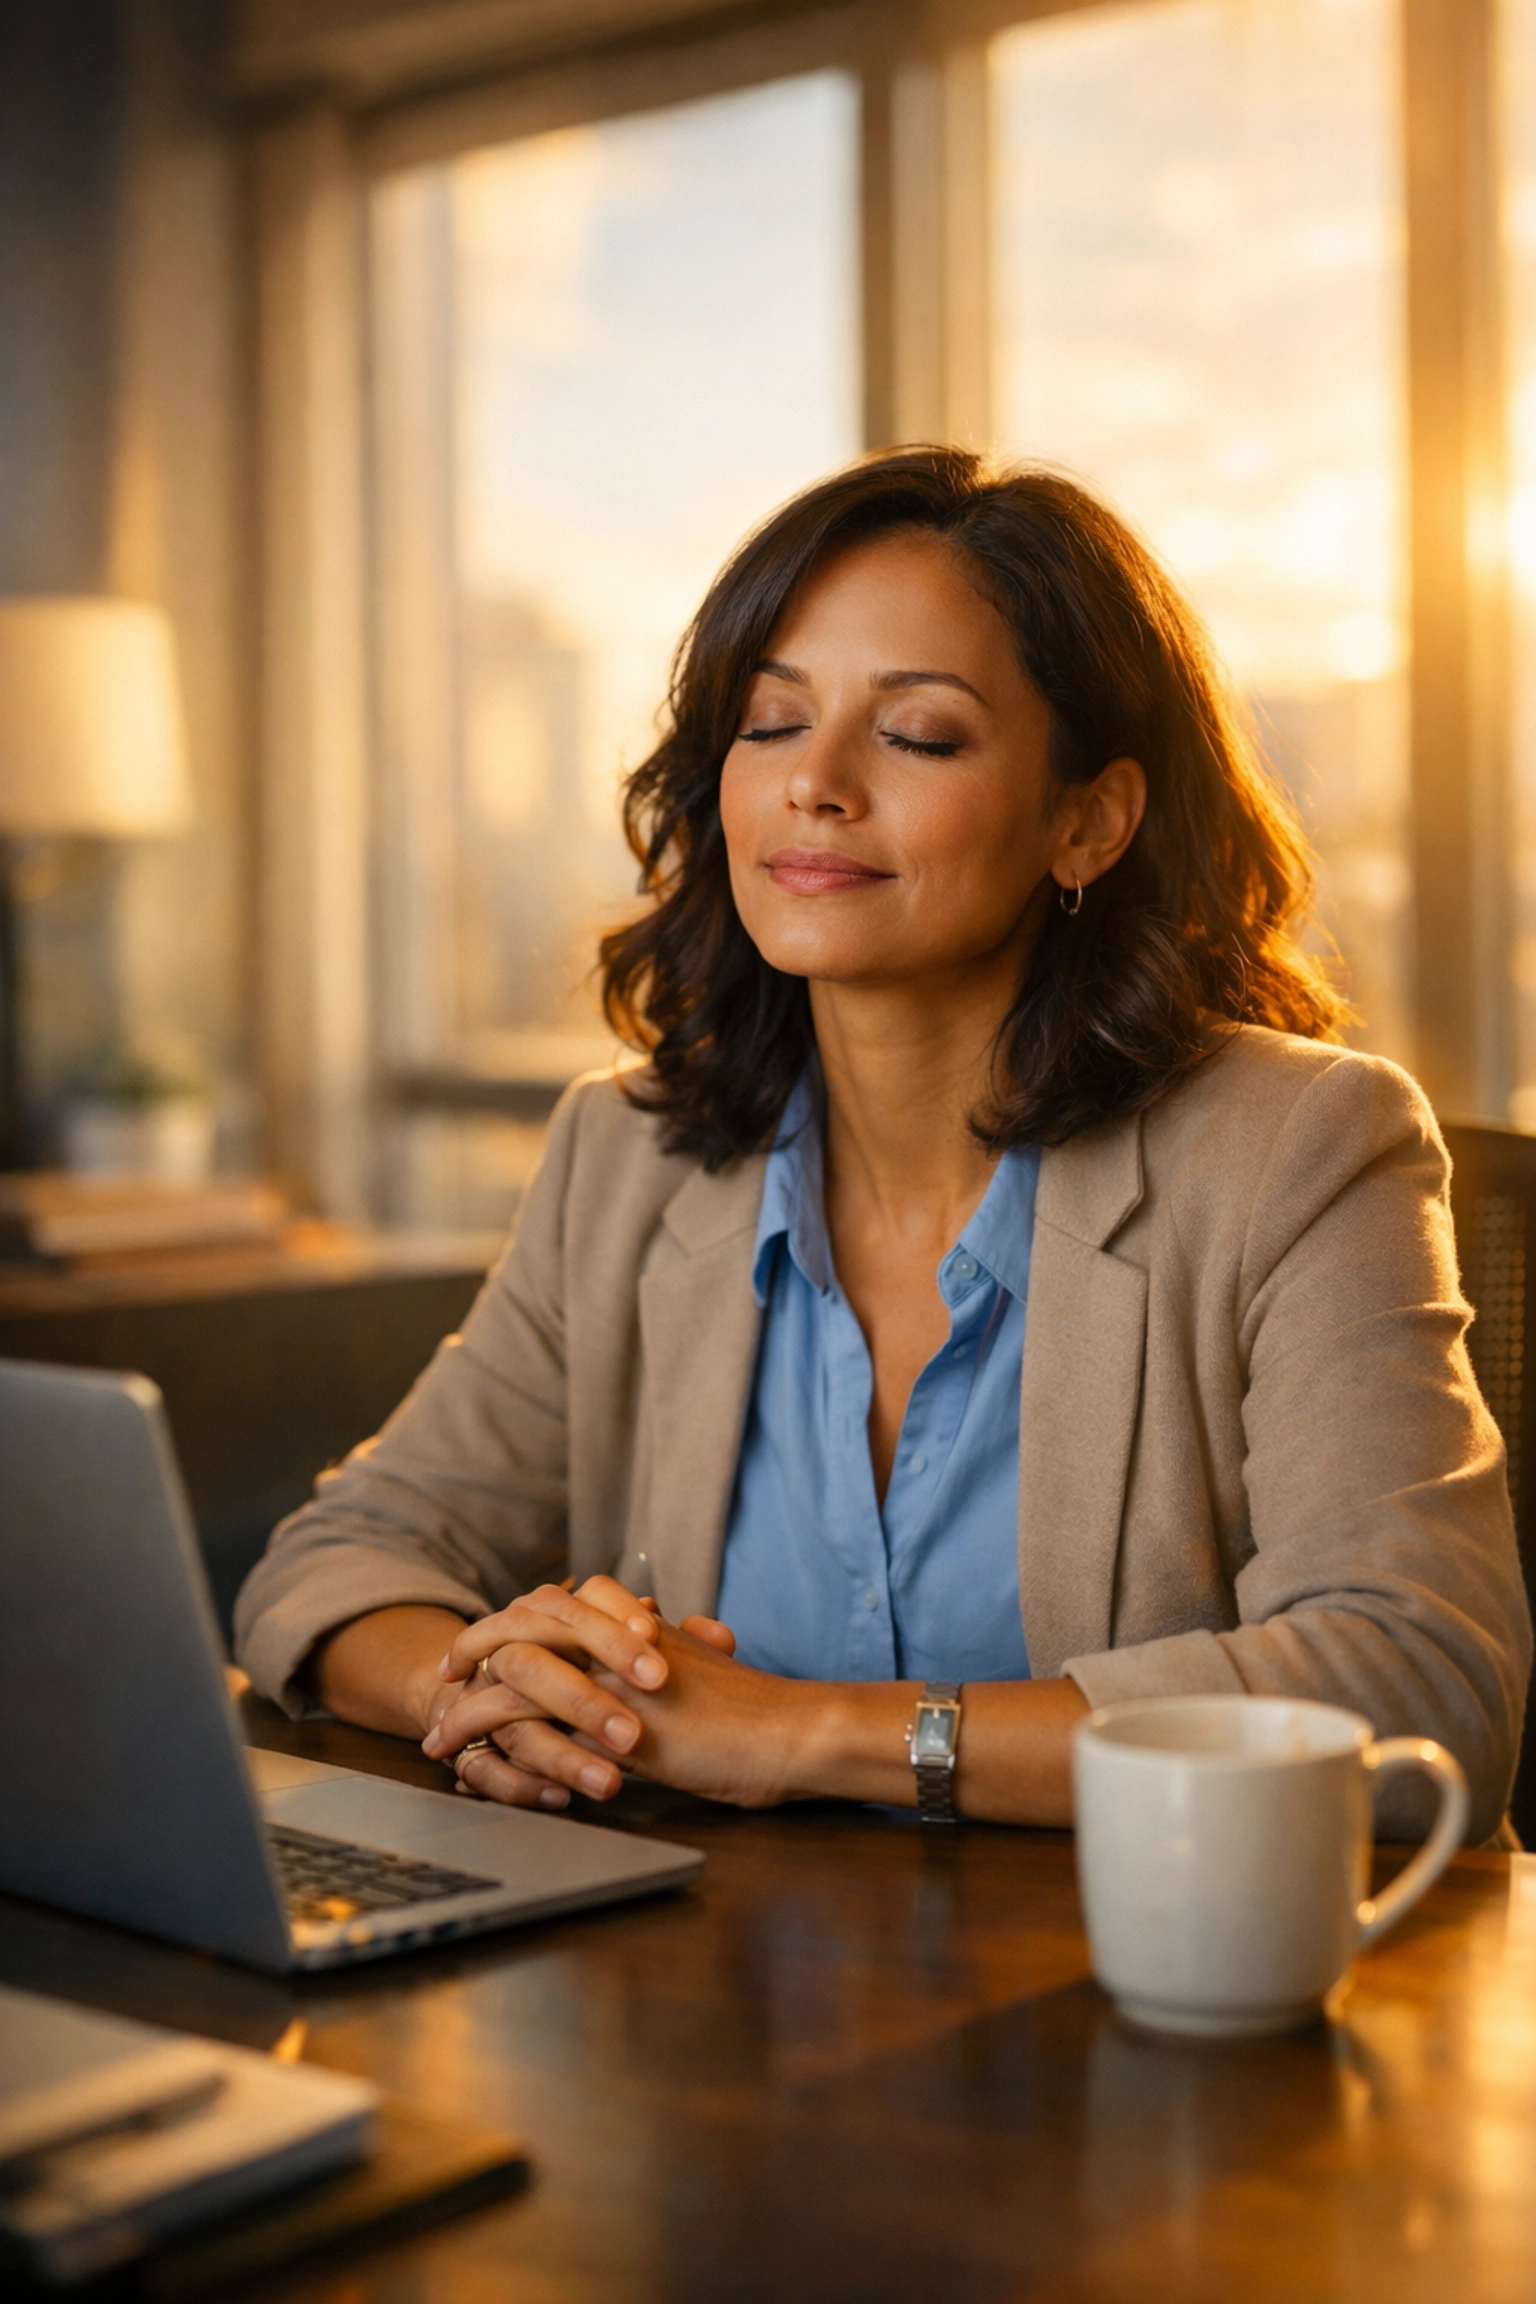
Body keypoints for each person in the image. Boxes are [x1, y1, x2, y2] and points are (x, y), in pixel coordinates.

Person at [234, 447, 1531, 1841]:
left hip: (1139, 2008)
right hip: (712, 2005)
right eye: (771, 723)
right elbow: (333, 1565)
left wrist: (796, 1732)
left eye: (916, 735)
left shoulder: (1300, 1148)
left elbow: (1413, 1681)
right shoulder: (627, 1155)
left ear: (1086, 822)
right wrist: (536, 1699)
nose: (818, 786)